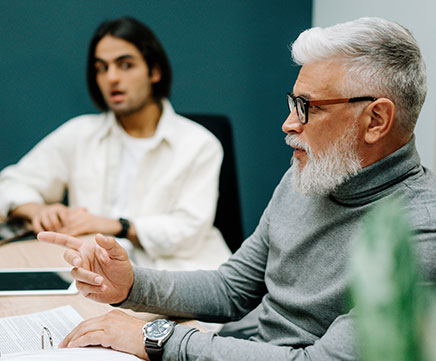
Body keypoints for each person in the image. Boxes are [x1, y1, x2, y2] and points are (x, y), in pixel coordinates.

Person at [37, 17, 436, 360]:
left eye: (308, 107)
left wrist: (159, 338)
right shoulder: (313, 173)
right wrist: (132, 284)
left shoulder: (420, 232)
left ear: (376, 120)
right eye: (292, 103)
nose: (289, 124)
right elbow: (231, 289)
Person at [0, 17, 231, 270]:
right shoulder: (80, 133)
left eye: (125, 65)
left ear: (154, 71)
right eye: (101, 68)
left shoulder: (200, 143)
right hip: (92, 276)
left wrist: (117, 225)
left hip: (177, 277)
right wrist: (36, 210)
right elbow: (11, 183)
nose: (111, 78)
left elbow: (189, 231)